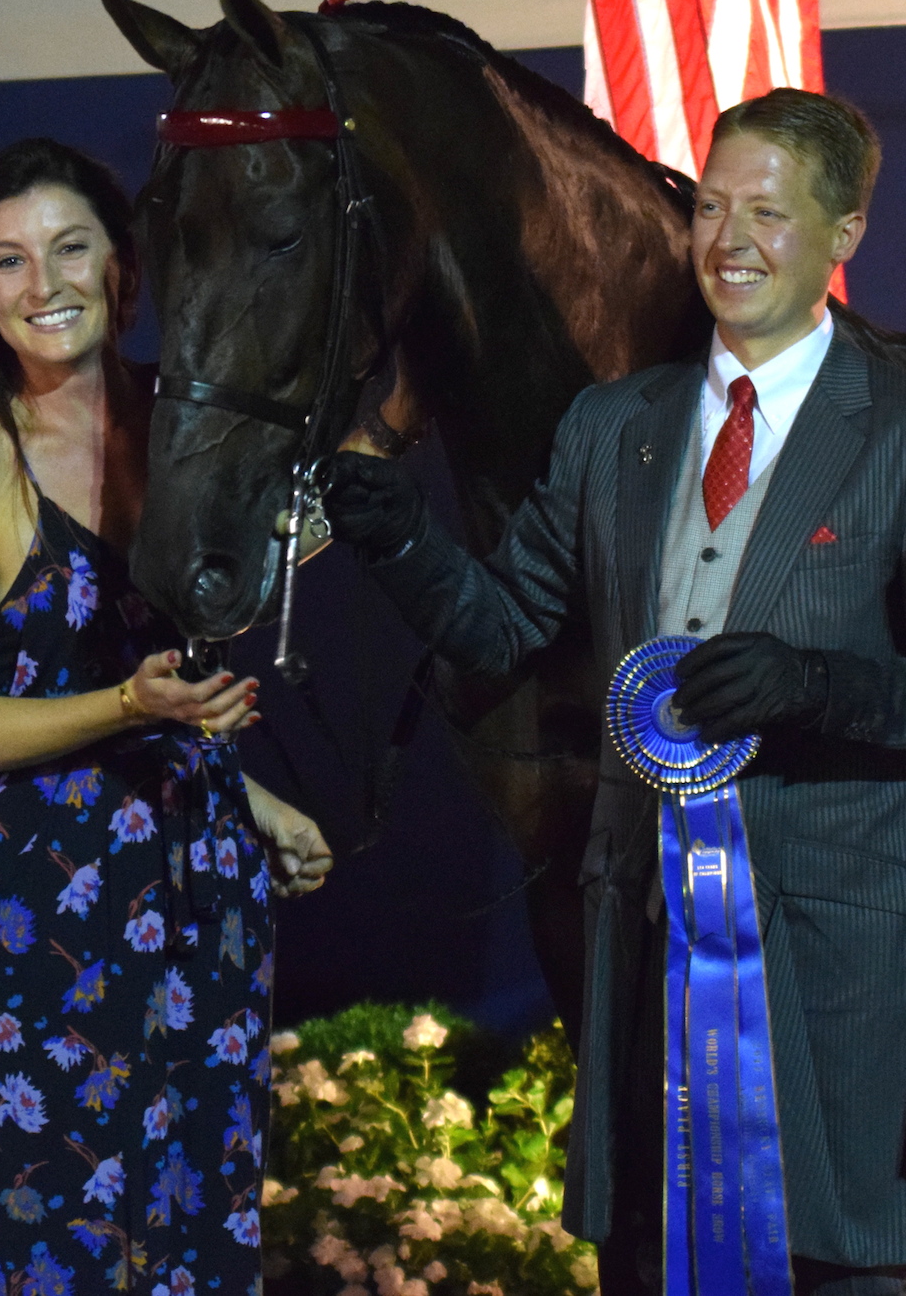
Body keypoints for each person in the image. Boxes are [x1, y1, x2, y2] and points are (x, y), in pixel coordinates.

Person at [325, 88, 906, 1296]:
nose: (725, 238)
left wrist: (819, 684)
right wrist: (401, 540)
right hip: (650, 951)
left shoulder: (895, 420)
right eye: (707, 205)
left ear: (845, 234)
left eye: (767, 211)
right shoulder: (612, 428)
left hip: (843, 964)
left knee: (842, 1268)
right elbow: (501, 623)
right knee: (658, 1255)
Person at [0, 138, 332, 1296]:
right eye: (8, 260)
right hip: (43, 925)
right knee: (60, 1260)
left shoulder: (186, 433)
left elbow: (180, 691)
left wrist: (251, 797)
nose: (44, 282)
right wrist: (125, 700)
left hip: (204, 895)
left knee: (201, 1246)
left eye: (69, 246)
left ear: (123, 267)